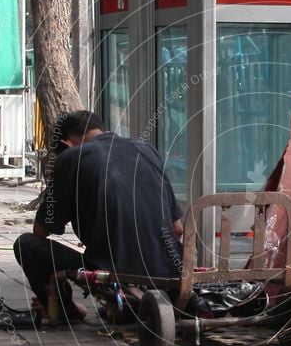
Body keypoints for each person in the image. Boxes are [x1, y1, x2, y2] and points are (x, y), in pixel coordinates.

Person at [14, 110, 184, 321]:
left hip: (111, 268)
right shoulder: (146, 149)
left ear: (68, 143)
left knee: (27, 245)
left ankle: (67, 309)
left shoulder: (73, 157)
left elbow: (41, 230)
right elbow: (178, 229)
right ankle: (129, 300)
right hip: (169, 267)